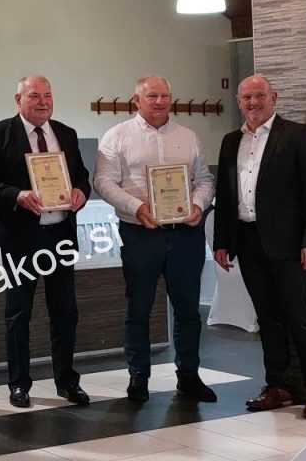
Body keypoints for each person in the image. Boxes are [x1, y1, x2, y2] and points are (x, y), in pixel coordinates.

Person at [214, 74, 306, 419]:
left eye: (259, 96)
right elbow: (225, 194)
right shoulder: (230, 141)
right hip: (247, 241)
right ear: (239, 102)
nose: (253, 103)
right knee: (267, 318)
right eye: (247, 97)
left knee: (299, 317)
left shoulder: (297, 135)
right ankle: (277, 386)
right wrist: (221, 242)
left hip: (289, 245)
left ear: (273, 97)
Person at [94, 75, 216, 403]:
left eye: (164, 96)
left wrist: (197, 204)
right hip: (140, 233)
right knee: (139, 308)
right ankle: (138, 376)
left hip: (185, 234)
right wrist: (136, 207)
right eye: (152, 96)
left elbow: (205, 179)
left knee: (188, 310)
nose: (159, 102)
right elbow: (103, 181)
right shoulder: (117, 136)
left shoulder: (188, 136)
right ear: (137, 100)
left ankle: (188, 376)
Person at [0, 75, 91, 409]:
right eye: (35, 96)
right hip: (20, 238)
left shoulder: (66, 134)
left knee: (65, 312)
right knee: (18, 313)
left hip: (60, 235)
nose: (43, 102)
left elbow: (82, 177)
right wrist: (18, 195)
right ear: (19, 100)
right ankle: (18, 384)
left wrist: (80, 192)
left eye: (48, 95)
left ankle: (67, 382)